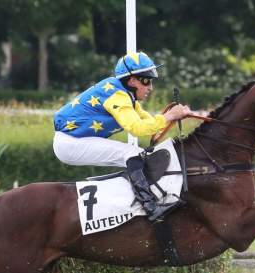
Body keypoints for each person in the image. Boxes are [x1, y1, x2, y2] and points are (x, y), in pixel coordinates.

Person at [52, 51, 191, 221]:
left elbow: (150, 123)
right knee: (131, 153)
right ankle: (149, 206)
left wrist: (178, 114)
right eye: (146, 81)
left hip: (75, 140)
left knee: (138, 154)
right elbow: (137, 129)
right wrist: (169, 116)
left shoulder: (126, 94)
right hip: (70, 143)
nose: (150, 87)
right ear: (132, 80)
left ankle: (145, 199)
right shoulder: (118, 96)